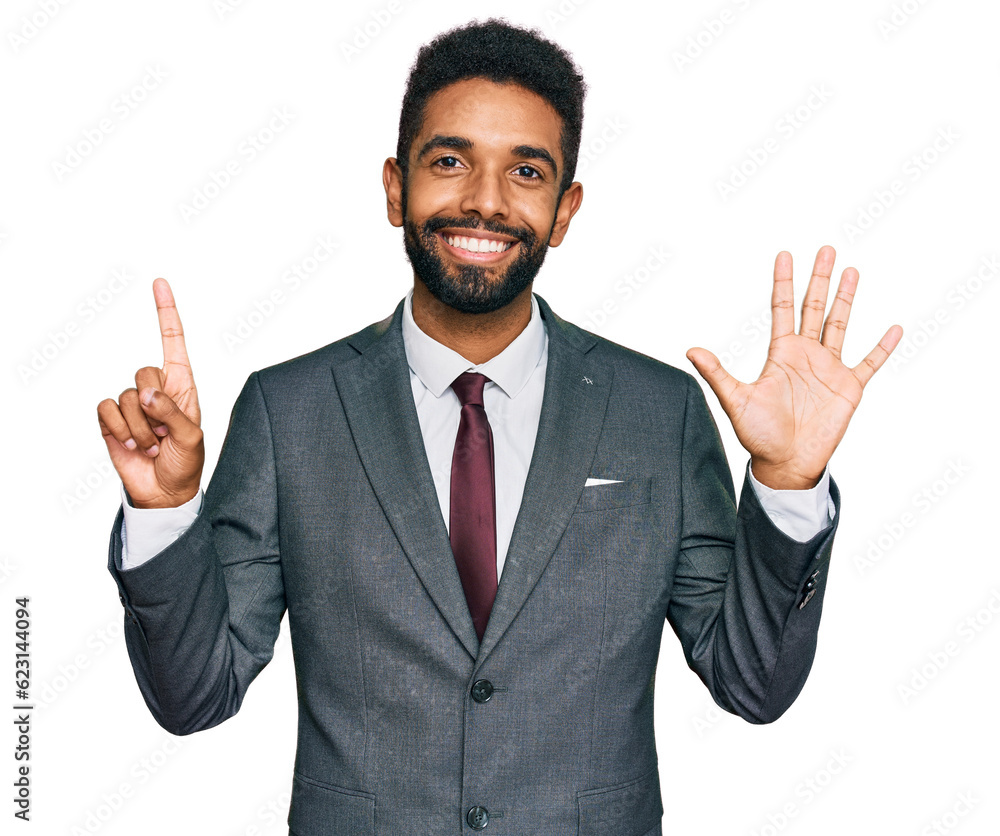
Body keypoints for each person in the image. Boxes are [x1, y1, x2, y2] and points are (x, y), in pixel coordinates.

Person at [97, 19, 900, 836]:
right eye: (450, 161)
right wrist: (165, 512)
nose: (485, 199)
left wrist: (788, 486)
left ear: (563, 211)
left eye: (525, 170)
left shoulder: (659, 413)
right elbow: (194, 696)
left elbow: (753, 686)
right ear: (392, 186)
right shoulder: (289, 412)